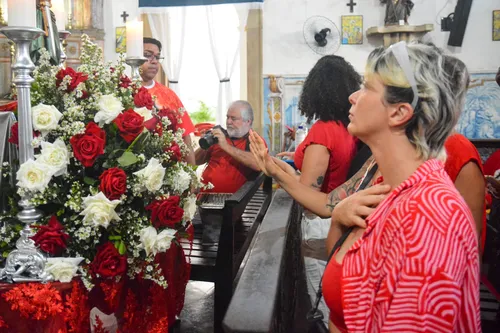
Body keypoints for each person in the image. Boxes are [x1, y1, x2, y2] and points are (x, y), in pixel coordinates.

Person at [251, 42, 481, 332]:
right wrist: (338, 216)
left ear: (399, 113)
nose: (352, 95)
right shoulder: (386, 182)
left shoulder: (429, 217)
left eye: (368, 87)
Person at [276, 55, 361, 323]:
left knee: (319, 304)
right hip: (337, 215)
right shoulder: (346, 128)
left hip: (318, 223)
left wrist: (281, 169)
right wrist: (298, 155)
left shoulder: (323, 130)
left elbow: (308, 191)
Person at [140, 37, 195, 165]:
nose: (154, 62)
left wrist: (193, 177)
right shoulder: (124, 91)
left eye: (157, 57)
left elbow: (185, 137)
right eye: (147, 55)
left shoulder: (168, 95)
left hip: (168, 166)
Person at [195, 100, 261, 193]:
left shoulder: (254, 139)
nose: (228, 122)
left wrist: (226, 146)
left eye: (233, 119)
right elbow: (195, 161)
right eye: (227, 117)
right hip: (205, 198)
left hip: (234, 202)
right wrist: (205, 145)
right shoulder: (220, 136)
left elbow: (259, 164)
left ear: (247, 121)